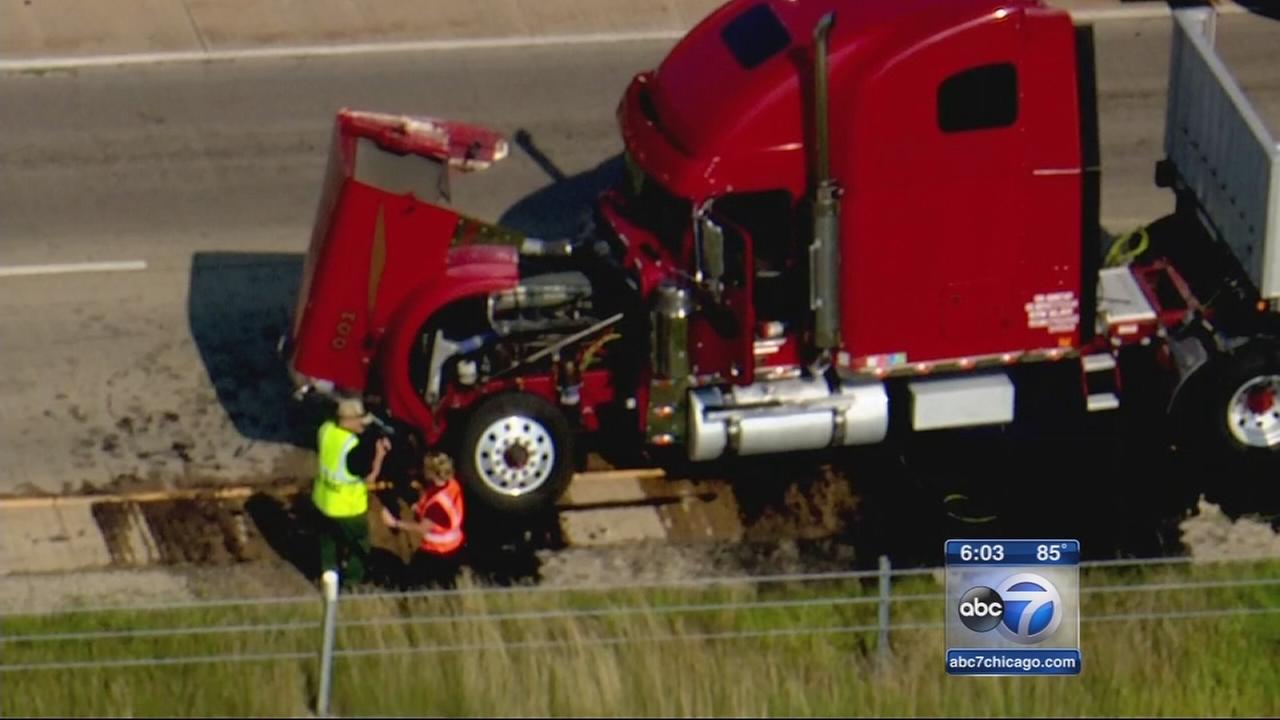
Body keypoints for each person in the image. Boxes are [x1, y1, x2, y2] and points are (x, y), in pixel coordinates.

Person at [312, 397, 390, 588]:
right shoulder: (353, 447)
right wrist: (379, 455)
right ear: (349, 421)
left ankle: (327, 578)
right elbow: (369, 477)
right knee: (359, 543)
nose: (361, 424)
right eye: (359, 420)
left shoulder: (326, 430)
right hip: (348, 509)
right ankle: (352, 581)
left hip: (323, 501)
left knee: (328, 542)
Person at [382, 452, 466, 588]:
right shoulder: (452, 484)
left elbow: (422, 527)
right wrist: (418, 507)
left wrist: (394, 523)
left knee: (412, 582)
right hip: (454, 546)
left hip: (438, 551)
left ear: (431, 472)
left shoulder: (437, 505)